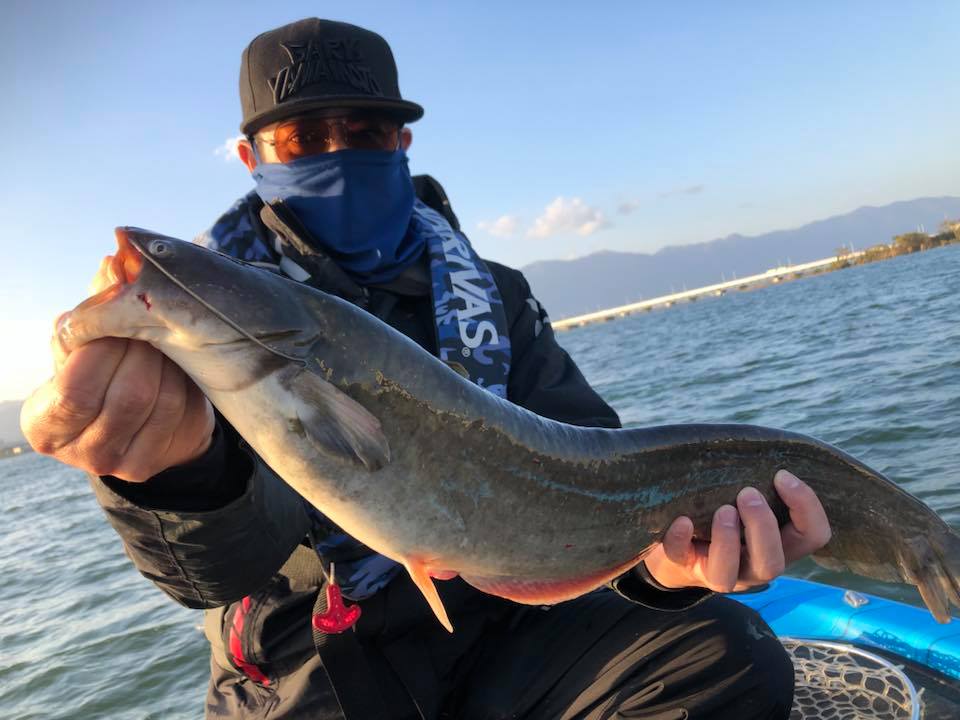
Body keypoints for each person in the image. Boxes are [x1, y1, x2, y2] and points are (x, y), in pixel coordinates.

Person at [21, 18, 832, 720]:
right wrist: (177, 479)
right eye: (303, 139)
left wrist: (664, 567)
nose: (338, 151)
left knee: (723, 655)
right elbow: (218, 572)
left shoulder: (496, 294)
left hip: (505, 630)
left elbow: (591, 476)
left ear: (402, 142)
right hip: (307, 662)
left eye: (366, 131)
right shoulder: (200, 341)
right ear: (249, 157)